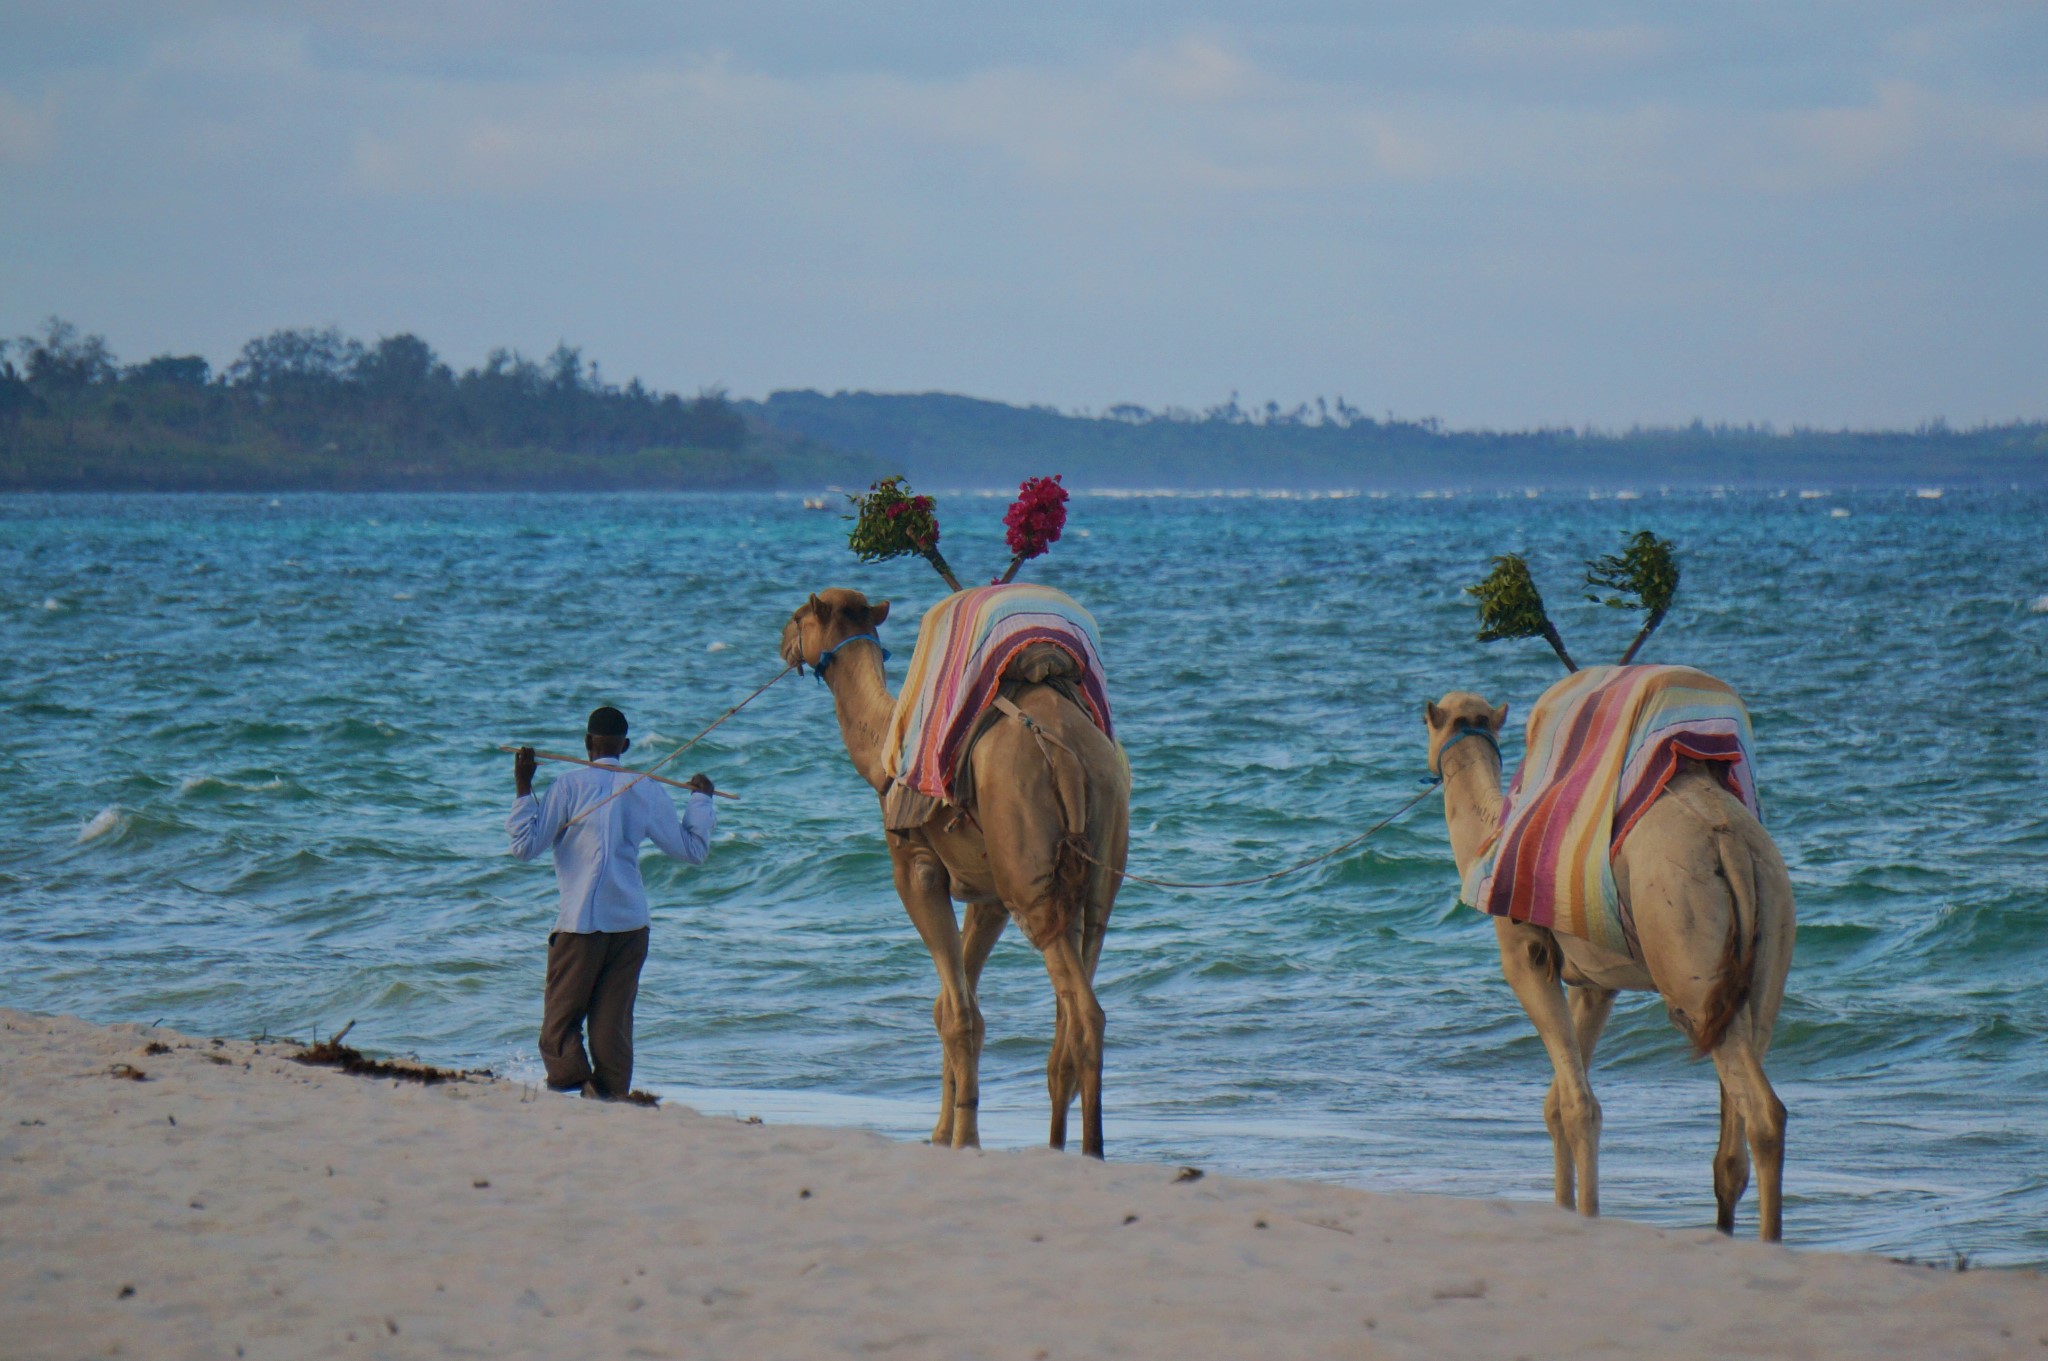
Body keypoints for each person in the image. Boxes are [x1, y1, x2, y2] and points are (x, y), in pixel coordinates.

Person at [507, 705, 715, 1099]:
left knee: (558, 1028)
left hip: (580, 925)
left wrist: (523, 786)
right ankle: (607, 1097)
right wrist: (700, 801)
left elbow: (523, 846)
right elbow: (692, 850)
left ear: (587, 743)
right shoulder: (646, 787)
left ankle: (575, 1084)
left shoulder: (567, 786)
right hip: (631, 926)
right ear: (626, 746)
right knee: (611, 1027)